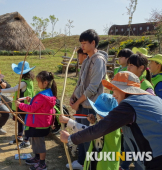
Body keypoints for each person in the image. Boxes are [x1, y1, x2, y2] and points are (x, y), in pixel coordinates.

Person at [60, 71, 162, 170]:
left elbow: (100, 129)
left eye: (114, 89)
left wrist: (71, 139)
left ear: (124, 89)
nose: (113, 95)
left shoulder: (129, 105)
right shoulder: (152, 99)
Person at [69, 29, 108, 169]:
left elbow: (92, 87)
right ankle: (81, 161)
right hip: (81, 104)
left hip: (91, 106)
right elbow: (80, 83)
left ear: (93, 43)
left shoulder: (98, 61)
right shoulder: (86, 60)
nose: (82, 46)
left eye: (85, 43)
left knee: (88, 136)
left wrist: (78, 102)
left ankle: (88, 164)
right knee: (80, 133)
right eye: (81, 43)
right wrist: (73, 96)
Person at [59, 93, 121, 170]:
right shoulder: (110, 123)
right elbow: (95, 132)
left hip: (104, 165)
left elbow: (89, 133)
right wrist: (94, 123)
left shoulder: (109, 127)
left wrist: (69, 124)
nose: (97, 114)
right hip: (99, 161)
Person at [15, 71, 57, 170]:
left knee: (40, 144)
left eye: (38, 82)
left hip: (39, 124)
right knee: (35, 142)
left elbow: (32, 109)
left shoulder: (43, 96)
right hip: (38, 123)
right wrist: (31, 101)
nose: (37, 84)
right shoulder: (47, 93)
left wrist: (20, 105)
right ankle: (37, 158)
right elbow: (38, 106)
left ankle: (42, 164)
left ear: (45, 82)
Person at [0, 61, 35, 149]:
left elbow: (14, 89)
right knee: (20, 121)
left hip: (24, 106)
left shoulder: (24, 82)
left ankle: (26, 141)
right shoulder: (27, 80)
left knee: (26, 123)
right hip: (22, 105)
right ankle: (20, 137)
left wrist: (0, 90)